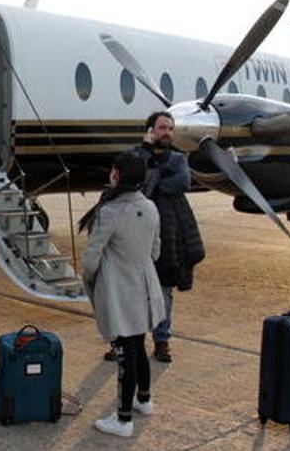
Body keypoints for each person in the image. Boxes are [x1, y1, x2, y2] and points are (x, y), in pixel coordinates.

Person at [80, 151, 166, 438]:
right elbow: (155, 251)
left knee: (124, 354)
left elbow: (91, 260)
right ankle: (144, 399)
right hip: (145, 289)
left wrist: (92, 278)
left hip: (120, 293)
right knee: (138, 346)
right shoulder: (151, 207)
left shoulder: (110, 211)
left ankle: (123, 418)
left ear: (117, 175)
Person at [137, 112, 205, 363]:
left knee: (164, 290)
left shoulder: (178, 158)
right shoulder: (137, 155)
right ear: (149, 130)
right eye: (161, 127)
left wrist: (153, 181)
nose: (166, 132)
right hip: (138, 233)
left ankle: (161, 341)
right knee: (131, 291)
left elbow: (182, 182)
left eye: (170, 128)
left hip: (168, 235)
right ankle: (126, 340)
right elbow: (137, 180)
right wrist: (148, 159)